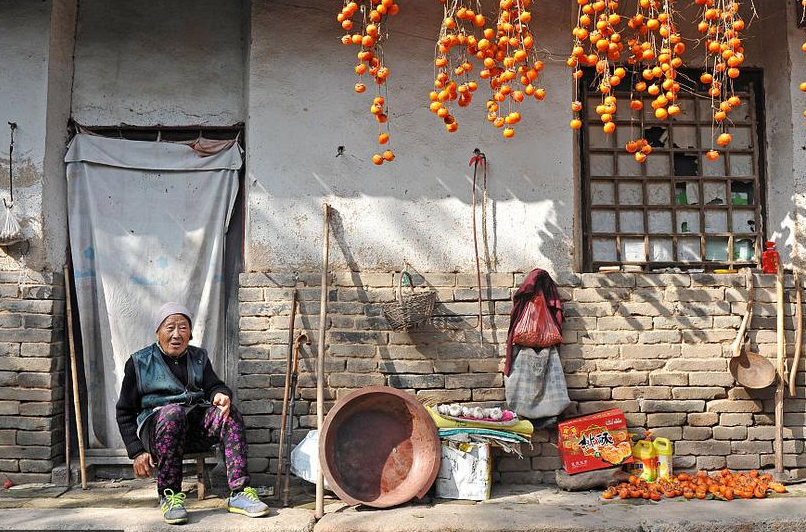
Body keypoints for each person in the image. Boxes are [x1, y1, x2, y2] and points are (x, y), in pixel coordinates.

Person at [116, 302, 270, 524]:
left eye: (183, 328)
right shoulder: (139, 362)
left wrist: (221, 394)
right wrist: (136, 451)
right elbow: (124, 412)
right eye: (170, 328)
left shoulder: (198, 357)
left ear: (190, 333)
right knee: (173, 413)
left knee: (230, 414)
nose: (177, 334)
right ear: (158, 332)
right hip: (159, 431)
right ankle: (170, 495)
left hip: (193, 430)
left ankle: (240, 492)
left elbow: (214, 385)